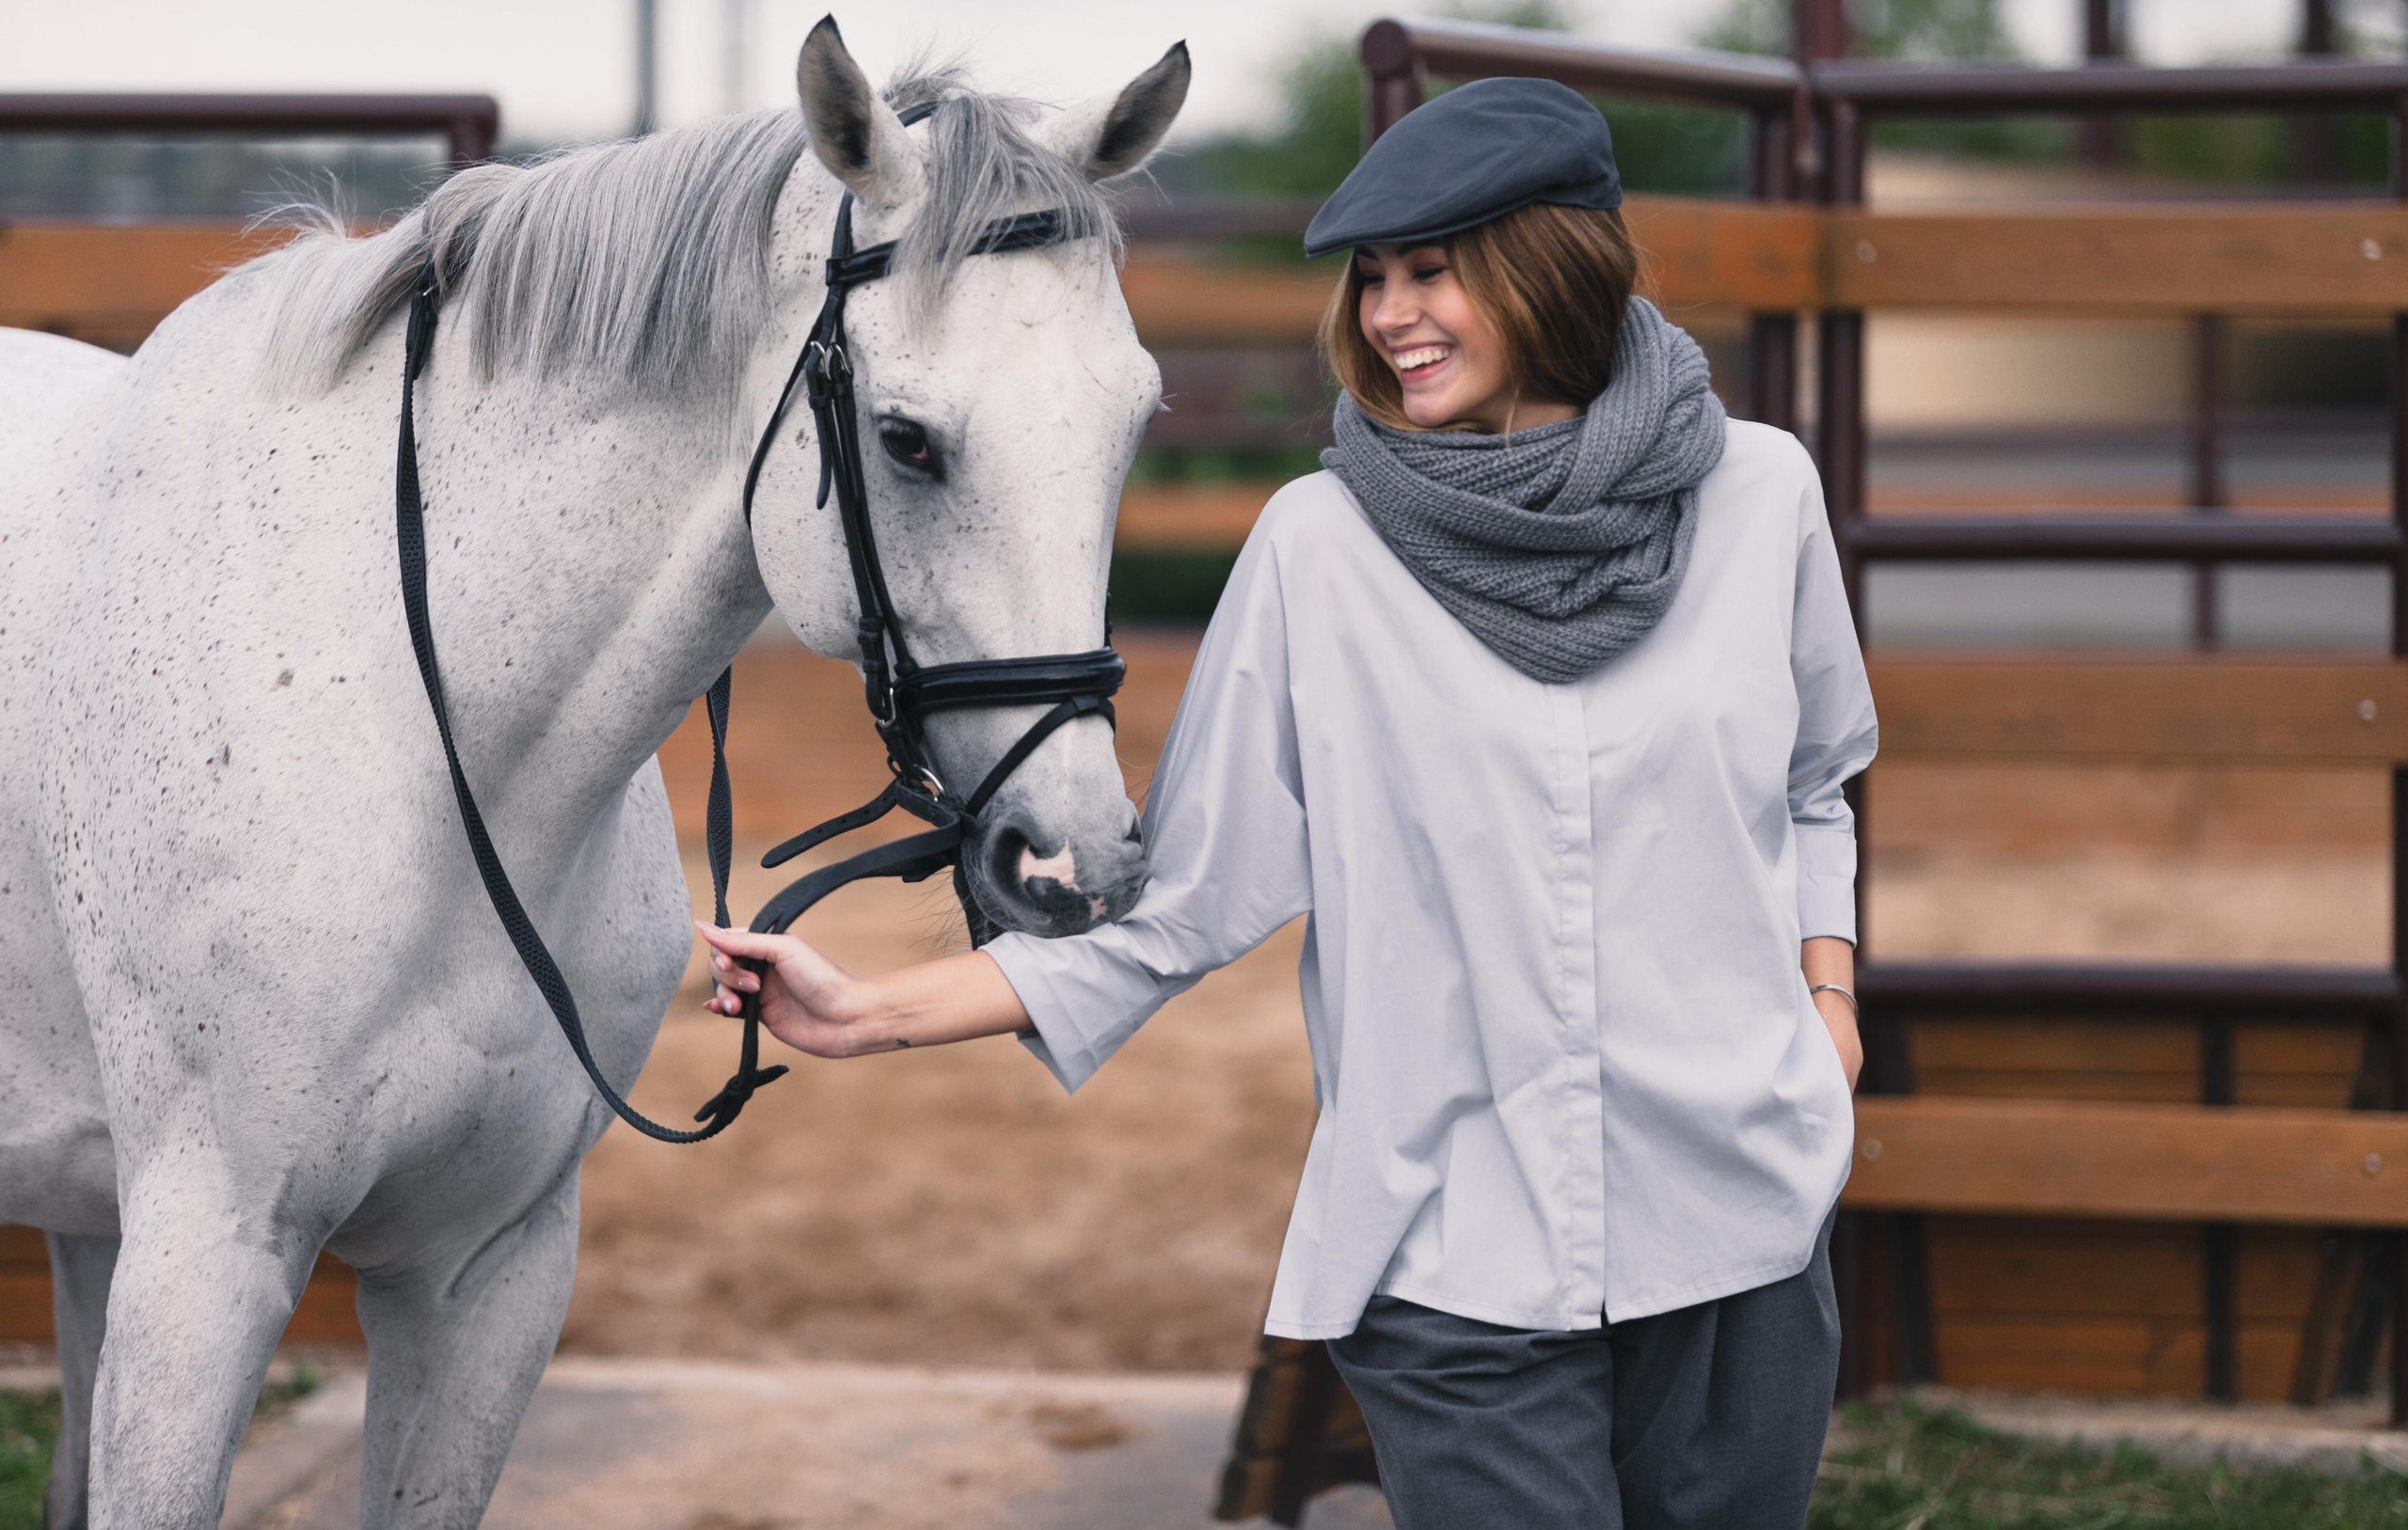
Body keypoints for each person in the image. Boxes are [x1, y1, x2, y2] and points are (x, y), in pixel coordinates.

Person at [696, 76, 1877, 1530]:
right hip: (1458, 1256)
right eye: (1372, 280)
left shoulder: (1763, 499)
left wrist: (1830, 996)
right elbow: (1188, 896)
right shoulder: (1322, 551)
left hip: (1744, 1220)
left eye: (1431, 270)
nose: (1389, 315)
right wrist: (870, 1012)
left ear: (1549, 265)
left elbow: (1817, 777)